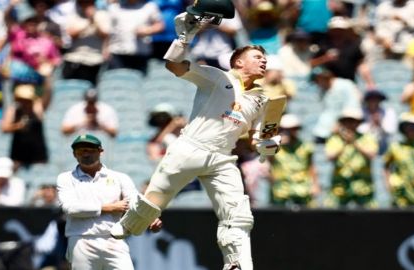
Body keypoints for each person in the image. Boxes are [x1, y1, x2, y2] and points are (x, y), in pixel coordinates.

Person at [110, 11, 282, 270]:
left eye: (265, 58)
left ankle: (238, 265)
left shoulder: (262, 100)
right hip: (190, 148)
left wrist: (267, 146)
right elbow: (174, 65)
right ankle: (128, 224)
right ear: (238, 62)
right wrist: (185, 36)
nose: (263, 62)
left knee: (239, 215)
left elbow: (259, 139)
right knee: (154, 202)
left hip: (223, 158)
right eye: (257, 57)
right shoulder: (216, 77)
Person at [56, 133, 162, 270]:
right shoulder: (65, 178)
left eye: (90, 150)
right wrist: (108, 208)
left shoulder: (119, 177)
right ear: (74, 154)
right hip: (81, 239)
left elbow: (135, 202)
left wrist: (150, 218)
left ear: (101, 151)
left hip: (114, 239)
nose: (85, 154)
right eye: (81, 151)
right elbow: (70, 208)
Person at [323, 108, 378, 208]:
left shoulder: (367, 138)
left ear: (358, 123)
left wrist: (354, 142)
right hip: (340, 187)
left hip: (363, 187)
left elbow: (372, 155)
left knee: (371, 217)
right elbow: (329, 157)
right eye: (347, 121)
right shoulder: (334, 139)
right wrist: (344, 143)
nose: (349, 124)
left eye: (352, 121)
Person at [268, 114, 319, 207]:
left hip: (302, 190)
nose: (286, 132)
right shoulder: (273, 148)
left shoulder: (306, 146)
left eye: (290, 129)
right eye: (283, 129)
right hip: (281, 191)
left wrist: (315, 185)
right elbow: (268, 165)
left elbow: (311, 167)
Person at [383, 113, 414, 207]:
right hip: (401, 195)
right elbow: (386, 165)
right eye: (409, 126)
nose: (412, 129)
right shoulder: (396, 147)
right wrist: (389, 183)